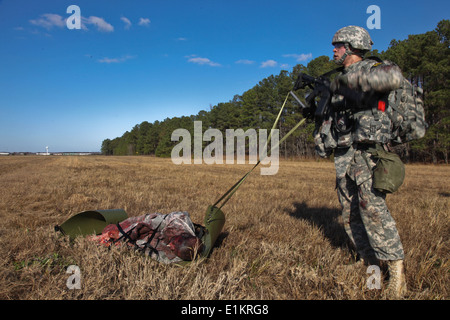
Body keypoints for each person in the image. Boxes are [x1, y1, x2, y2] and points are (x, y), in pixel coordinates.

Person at [320, 25, 407, 298]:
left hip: (368, 152)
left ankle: (397, 274)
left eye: (338, 45)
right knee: (349, 212)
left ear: (351, 47)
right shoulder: (338, 80)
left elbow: (396, 88)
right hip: (345, 152)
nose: (333, 50)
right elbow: (333, 118)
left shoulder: (375, 69)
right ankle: (370, 264)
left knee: (373, 210)